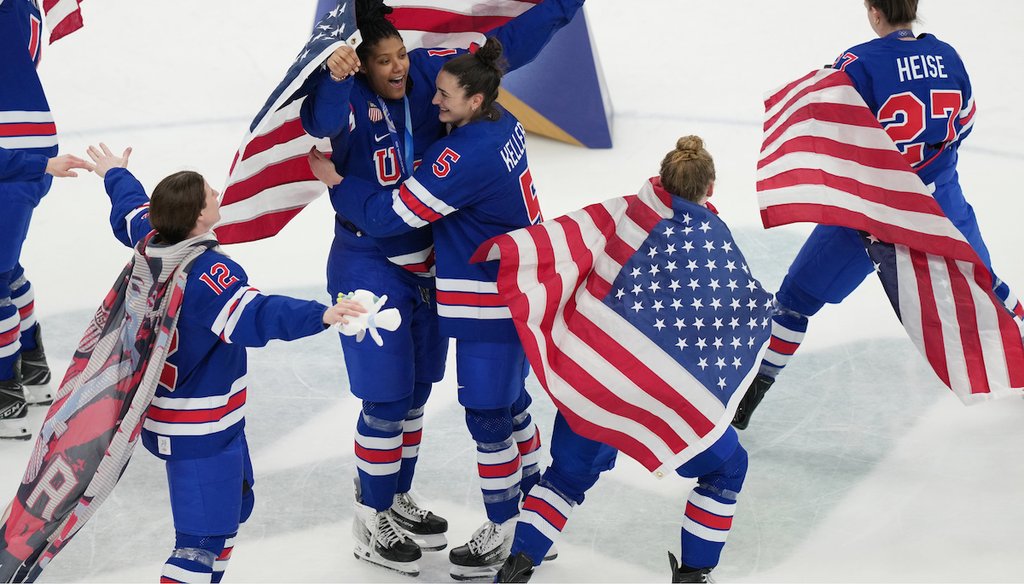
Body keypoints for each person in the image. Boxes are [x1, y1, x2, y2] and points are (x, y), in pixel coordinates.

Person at [299, 0, 584, 575]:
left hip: (429, 263)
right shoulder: (349, 90)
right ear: (360, 65)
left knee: (416, 395)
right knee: (384, 402)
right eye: (383, 61)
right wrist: (333, 76)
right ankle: (370, 519)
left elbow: (503, 47)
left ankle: (398, 496)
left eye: (402, 54)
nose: (401, 69)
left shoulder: (439, 75)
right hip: (367, 262)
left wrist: (557, 7)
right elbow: (317, 123)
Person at [731, 0, 1024, 430]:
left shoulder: (858, 63)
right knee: (985, 284)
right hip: (940, 204)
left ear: (873, 11)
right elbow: (963, 124)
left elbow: (830, 133)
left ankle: (748, 399)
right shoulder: (948, 55)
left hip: (872, 213)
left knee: (794, 303)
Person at [85, 143, 365, 584]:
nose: (218, 193)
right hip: (200, 428)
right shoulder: (208, 274)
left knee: (233, 511)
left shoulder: (151, 239)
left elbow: (130, 209)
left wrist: (114, 174)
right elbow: (258, 316)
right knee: (200, 545)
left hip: (181, 417)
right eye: (210, 194)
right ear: (197, 216)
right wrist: (323, 314)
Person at [492, 137, 757, 584]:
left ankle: (513, 572)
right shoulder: (714, 240)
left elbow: (563, 247)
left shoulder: (623, 214)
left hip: (597, 375)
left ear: (661, 178)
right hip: (664, 391)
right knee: (728, 467)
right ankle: (694, 576)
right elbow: (731, 316)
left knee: (563, 482)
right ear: (710, 188)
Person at [0, 0, 94, 441]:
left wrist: (33, 165)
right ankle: (30, 362)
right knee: (7, 269)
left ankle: (5, 390)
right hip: (25, 157)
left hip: (13, 164)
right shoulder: (22, 9)